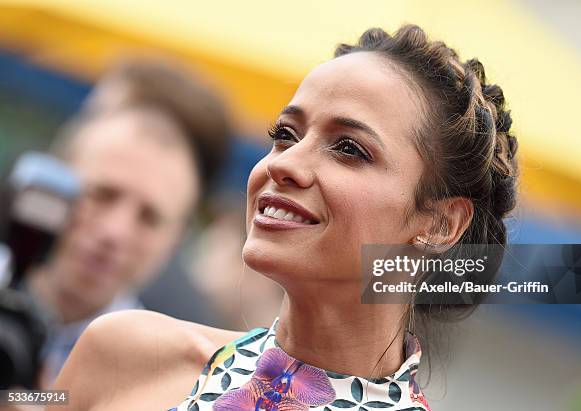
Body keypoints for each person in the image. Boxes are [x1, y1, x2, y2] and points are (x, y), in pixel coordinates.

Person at [48, 24, 519, 411]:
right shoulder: (125, 349)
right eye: (286, 134)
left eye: (349, 149)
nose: (282, 164)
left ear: (440, 224)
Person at [26, 59, 230, 385]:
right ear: (54, 179)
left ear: (177, 238)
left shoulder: (174, 383)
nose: (114, 232)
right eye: (102, 194)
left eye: (150, 218)